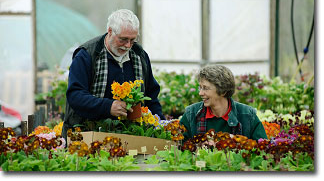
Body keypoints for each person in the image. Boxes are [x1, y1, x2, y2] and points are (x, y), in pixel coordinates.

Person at [63, 9, 165, 140]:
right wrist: (108, 106)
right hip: (87, 134)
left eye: (133, 40)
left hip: (130, 136)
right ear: (110, 31)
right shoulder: (87, 55)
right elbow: (75, 95)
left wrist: (160, 126)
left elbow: (151, 96)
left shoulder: (140, 56)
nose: (128, 45)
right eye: (123, 39)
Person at [180, 64, 267, 141]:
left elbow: (263, 148)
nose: (200, 93)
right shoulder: (191, 114)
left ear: (223, 91)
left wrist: (237, 141)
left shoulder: (247, 115)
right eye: (200, 88)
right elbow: (178, 148)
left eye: (206, 88)